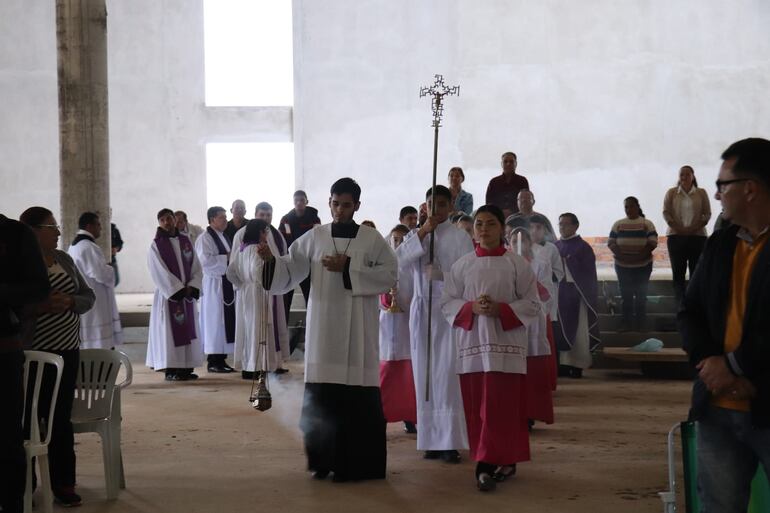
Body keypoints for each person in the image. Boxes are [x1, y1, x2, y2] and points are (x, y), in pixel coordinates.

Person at [257, 178, 397, 482]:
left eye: (346, 205)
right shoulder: (314, 237)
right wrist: (270, 262)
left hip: (359, 333)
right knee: (323, 396)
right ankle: (323, 461)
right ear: (329, 202)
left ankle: (359, 465)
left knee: (358, 400)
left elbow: (389, 275)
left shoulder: (372, 239)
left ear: (357, 206)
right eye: (335, 203)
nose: (339, 210)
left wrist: (349, 268)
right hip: (323, 329)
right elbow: (289, 269)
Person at [678, 137, 770, 513]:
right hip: (716, 406)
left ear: (749, 189)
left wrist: (733, 367)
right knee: (718, 506)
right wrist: (710, 363)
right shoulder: (719, 244)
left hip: (764, 401)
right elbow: (690, 311)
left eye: (722, 186)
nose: (716, 196)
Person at [441, 205, 540, 491]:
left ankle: (495, 463)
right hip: (473, 348)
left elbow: (533, 303)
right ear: (474, 229)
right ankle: (488, 460)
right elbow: (447, 303)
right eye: (480, 224)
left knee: (502, 409)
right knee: (479, 410)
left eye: (491, 224)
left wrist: (502, 310)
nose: (484, 229)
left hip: (505, 347)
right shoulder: (462, 265)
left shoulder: (517, 264)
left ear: (502, 229)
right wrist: (471, 307)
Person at [20, 207, 95, 507]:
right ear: (33, 231)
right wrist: (38, 308)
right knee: (29, 417)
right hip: (33, 353)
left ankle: (64, 482)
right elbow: (13, 305)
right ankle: (27, 481)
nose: (59, 232)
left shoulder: (64, 259)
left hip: (67, 351)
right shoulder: (19, 264)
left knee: (60, 417)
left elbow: (88, 296)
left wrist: (71, 301)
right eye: (52, 227)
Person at [397, 185, 474, 464]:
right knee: (424, 374)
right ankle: (430, 438)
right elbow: (399, 262)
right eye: (431, 204)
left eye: (442, 204)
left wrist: (441, 274)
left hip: (447, 311)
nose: (436, 209)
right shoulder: (416, 235)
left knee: (445, 375)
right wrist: (422, 232)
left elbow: (468, 275)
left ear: (451, 207)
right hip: (422, 311)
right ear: (425, 206)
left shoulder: (460, 237)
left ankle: (450, 441)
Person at [0, 213, 49, 513]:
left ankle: (12, 503)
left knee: (6, 436)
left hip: (3, 349)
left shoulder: (15, 234)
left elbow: (38, 288)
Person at [146, 208, 204, 381]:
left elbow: (196, 266)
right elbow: (158, 271)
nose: (167, 222)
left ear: (174, 220)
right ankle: (171, 369)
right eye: (162, 220)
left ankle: (186, 367)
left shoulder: (186, 241)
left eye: (169, 218)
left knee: (188, 330)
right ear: (159, 223)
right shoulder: (156, 245)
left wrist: (192, 286)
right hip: (169, 296)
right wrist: (177, 289)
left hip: (186, 295)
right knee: (170, 333)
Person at [226, 219, 286, 377]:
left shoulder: (242, 249)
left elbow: (230, 272)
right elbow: (259, 272)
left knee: (247, 329)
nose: (267, 235)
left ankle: (247, 365)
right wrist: (263, 278)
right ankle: (257, 367)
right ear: (260, 232)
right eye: (265, 232)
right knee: (258, 329)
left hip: (245, 292)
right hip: (257, 292)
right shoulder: (258, 249)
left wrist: (242, 284)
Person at [237, 202, 290, 374]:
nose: (266, 219)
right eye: (262, 215)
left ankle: (270, 362)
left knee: (262, 328)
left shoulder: (275, 235)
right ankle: (255, 366)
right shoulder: (249, 242)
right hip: (260, 290)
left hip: (266, 289)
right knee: (257, 328)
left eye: (269, 215)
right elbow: (254, 271)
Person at [509, 227, 555, 426]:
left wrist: (529, 282)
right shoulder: (505, 264)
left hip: (533, 320)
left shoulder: (540, 264)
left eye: (521, 241)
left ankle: (530, 412)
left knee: (532, 367)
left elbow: (546, 293)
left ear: (529, 243)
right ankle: (513, 411)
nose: (517, 245)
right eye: (513, 242)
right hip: (512, 320)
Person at [378, 224, 417, 434]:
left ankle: (409, 418)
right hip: (386, 326)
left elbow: (418, 296)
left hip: (406, 326)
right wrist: (385, 299)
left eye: (402, 240)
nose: (398, 243)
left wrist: (404, 302)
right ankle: (381, 417)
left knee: (407, 377)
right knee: (386, 375)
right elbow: (375, 294)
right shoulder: (382, 265)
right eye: (395, 239)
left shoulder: (412, 267)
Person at [68, 211, 123, 349]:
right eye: (98, 224)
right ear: (89, 226)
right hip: (95, 298)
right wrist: (109, 268)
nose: (101, 228)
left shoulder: (75, 246)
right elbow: (100, 274)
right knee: (98, 339)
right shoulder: (88, 247)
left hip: (86, 293)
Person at [554, 213, 600, 378]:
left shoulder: (583, 247)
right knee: (559, 331)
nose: (562, 227)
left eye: (566, 224)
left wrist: (566, 262)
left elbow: (588, 273)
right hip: (558, 295)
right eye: (560, 224)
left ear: (575, 226)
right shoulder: (555, 245)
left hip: (576, 294)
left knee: (579, 332)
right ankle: (562, 365)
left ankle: (577, 365)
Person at [194, 206, 236, 373]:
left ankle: (221, 359)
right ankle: (213, 360)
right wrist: (226, 257)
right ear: (211, 219)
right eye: (222, 217)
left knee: (223, 323)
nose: (226, 220)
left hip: (224, 283)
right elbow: (204, 261)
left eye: (225, 217)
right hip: (213, 286)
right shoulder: (204, 238)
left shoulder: (223, 236)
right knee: (214, 322)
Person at [662, 166, 712, 303]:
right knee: (678, 274)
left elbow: (707, 214)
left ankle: (694, 306)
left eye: (687, 174)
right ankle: (681, 306)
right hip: (676, 237)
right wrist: (678, 228)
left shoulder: (701, 193)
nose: (684, 177)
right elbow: (666, 213)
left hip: (697, 237)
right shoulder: (671, 193)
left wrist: (694, 228)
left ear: (693, 176)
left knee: (696, 273)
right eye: (681, 174)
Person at [608, 197, 658, 332]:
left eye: (631, 206)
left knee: (641, 296)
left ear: (637, 207)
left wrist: (637, 258)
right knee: (626, 296)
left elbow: (652, 242)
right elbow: (611, 242)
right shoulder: (618, 224)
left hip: (643, 266)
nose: (629, 209)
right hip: (622, 267)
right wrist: (623, 257)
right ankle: (626, 323)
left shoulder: (646, 224)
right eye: (626, 207)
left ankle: (641, 324)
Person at [278, 191, 321, 328]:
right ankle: (283, 328)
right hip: (291, 264)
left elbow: (317, 240)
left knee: (311, 298)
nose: (299, 203)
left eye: (302, 200)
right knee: (286, 298)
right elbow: (283, 240)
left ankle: (312, 327)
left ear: (306, 201)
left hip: (309, 264)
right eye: (296, 200)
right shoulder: (286, 219)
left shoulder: (314, 218)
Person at [485, 152, 530, 219]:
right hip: (497, 217)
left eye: (511, 162)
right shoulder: (493, 182)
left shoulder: (522, 181)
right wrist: (500, 212)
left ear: (516, 164)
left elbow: (525, 201)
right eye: (505, 161)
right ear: (501, 164)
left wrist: (511, 211)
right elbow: (489, 203)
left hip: (519, 218)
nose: (508, 164)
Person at [110, 220, 124, 287]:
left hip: (112, 259)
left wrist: (116, 248)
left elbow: (120, 243)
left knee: (116, 280)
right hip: (100, 260)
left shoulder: (113, 229)